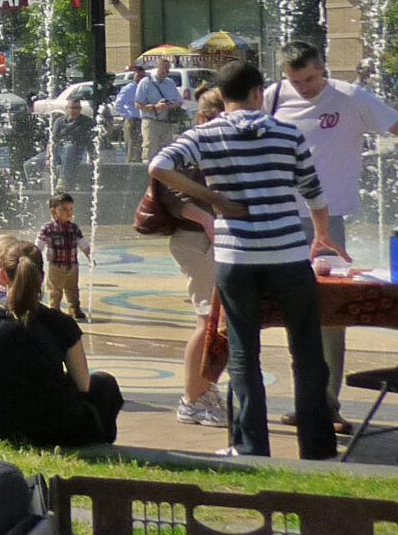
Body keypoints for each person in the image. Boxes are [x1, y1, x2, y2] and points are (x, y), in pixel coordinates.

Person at [149, 60, 342, 461]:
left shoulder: (205, 134)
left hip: (237, 258)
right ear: (258, 93)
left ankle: (251, 446)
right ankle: (318, 447)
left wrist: (215, 199)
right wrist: (321, 235)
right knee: (307, 353)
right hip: (289, 256)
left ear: (222, 97)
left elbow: (159, 167)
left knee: (243, 353)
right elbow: (314, 192)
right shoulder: (287, 133)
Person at [268, 40, 398, 435]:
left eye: (308, 78)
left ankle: (326, 405)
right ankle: (307, 402)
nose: (302, 87)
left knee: (329, 316)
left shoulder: (350, 97)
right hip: (279, 218)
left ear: (323, 67)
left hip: (329, 223)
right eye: (295, 80)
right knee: (291, 315)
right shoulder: (272, 97)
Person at [0, 239, 123, 445]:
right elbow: (83, 384)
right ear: (41, 277)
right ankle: (99, 436)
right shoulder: (62, 323)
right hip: (58, 427)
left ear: (4, 275)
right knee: (105, 383)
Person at [159, 84, 228, 427]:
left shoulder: (217, 143)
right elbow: (170, 193)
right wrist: (207, 220)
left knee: (217, 321)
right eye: (221, 116)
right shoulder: (192, 144)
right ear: (203, 116)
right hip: (196, 240)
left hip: (210, 239)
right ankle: (193, 398)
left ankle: (204, 391)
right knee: (207, 320)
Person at [38, 192, 90, 320]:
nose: (69, 212)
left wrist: (89, 254)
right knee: (55, 290)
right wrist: (35, 255)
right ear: (53, 211)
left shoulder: (74, 228)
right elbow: (39, 243)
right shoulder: (49, 228)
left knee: (73, 289)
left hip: (72, 265)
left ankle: (74, 309)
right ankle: (54, 310)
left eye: (71, 209)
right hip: (55, 266)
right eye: (65, 209)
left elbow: (82, 242)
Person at [136, 58, 186, 157]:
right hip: (151, 122)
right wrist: (155, 107)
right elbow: (138, 104)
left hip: (166, 122)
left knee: (166, 152)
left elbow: (179, 101)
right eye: (163, 70)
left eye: (167, 70)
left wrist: (169, 105)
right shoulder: (146, 82)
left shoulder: (170, 83)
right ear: (157, 68)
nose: (165, 73)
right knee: (150, 149)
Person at [114, 65, 146, 162]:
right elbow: (118, 104)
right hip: (133, 120)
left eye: (143, 76)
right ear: (134, 76)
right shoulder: (129, 89)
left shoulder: (146, 88)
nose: (141, 78)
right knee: (132, 147)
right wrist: (128, 116)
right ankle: (130, 168)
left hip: (145, 120)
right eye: (139, 76)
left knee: (143, 147)